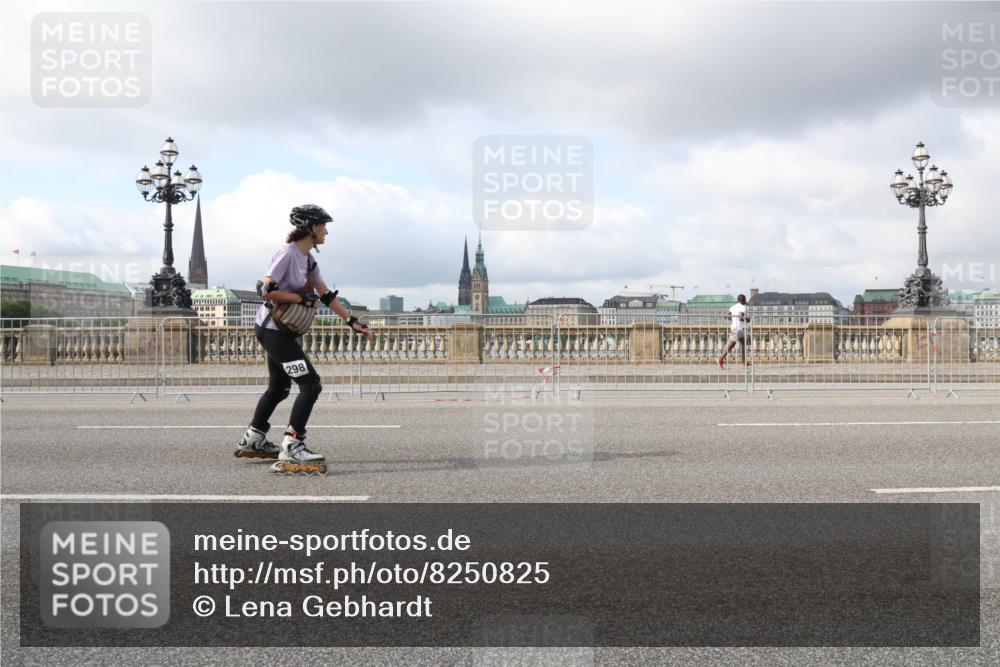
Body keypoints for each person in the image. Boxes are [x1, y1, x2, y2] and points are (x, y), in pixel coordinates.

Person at [235, 204, 373, 475]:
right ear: (311, 227)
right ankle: (293, 444)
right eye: (323, 226)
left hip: (283, 331)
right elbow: (265, 290)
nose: (327, 232)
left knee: (279, 388)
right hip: (272, 329)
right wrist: (299, 297)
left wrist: (351, 321)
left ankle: (254, 438)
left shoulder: (309, 261)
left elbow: (325, 295)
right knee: (310, 385)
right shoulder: (287, 254)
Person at [718, 293, 750, 369]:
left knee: (744, 344)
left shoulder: (733, 307)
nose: (745, 301)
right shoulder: (743, 307)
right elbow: (740, 318)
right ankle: (720, 358)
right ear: (743, 300)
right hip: (738, 329)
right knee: (730, 345)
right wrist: (747, 319)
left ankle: (744, 361)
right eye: (745, 300)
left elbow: (726, 316)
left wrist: (733, 319)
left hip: (738, 328)